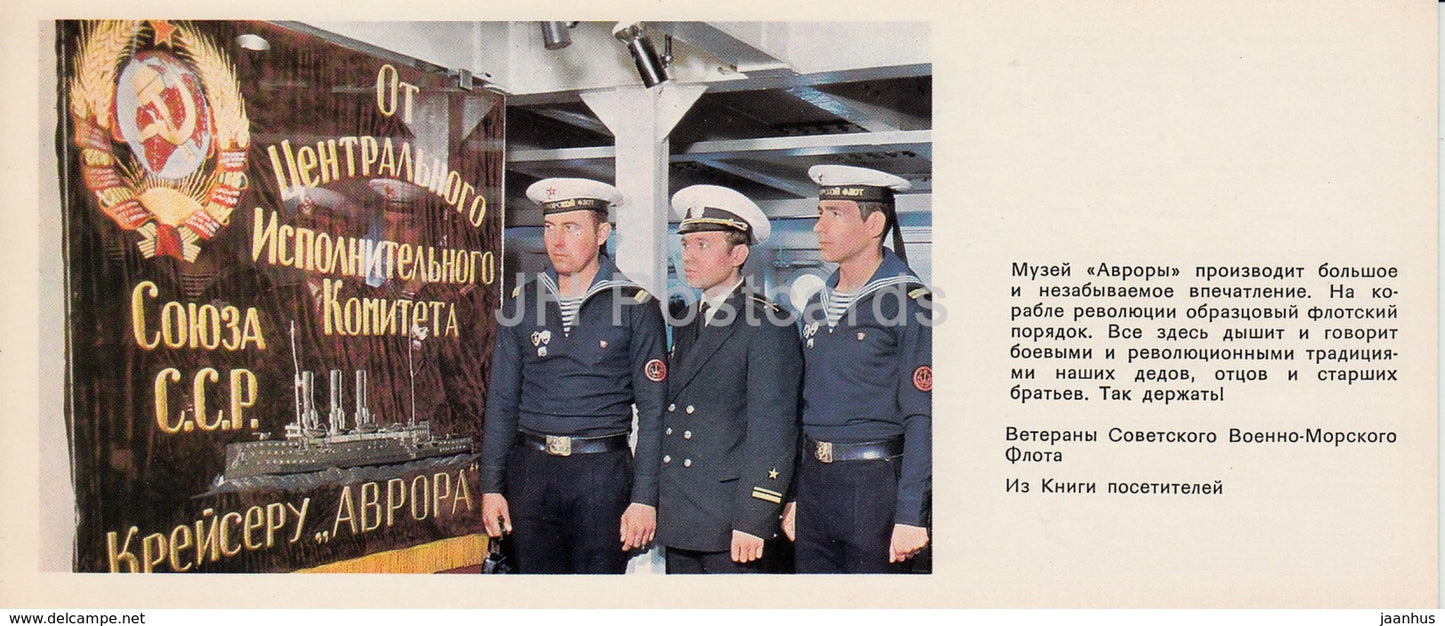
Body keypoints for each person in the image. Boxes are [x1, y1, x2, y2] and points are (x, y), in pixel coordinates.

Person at [479, 178, 667, 574]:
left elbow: (654, 414)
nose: (557, 241)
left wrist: (644, 497)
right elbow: (501, 402)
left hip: (601, 474)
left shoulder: (636, 306)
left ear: (602, 233)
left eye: (571, 228)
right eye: (549, 228)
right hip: (531, 473)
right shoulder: (522, 303)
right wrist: (492, 486)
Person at [783, 164, 933, 574]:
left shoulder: (910, 301)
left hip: (876, 486)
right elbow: (802, 408)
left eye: (835, 214)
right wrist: (795, 494)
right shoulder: (816, 304)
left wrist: (910, 514)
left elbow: (924, 416)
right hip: (816, 483)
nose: (818, 227)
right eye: (820, 213)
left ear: (875, 223)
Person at [656, 185, 802, 574]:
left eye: (702, 245)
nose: (687, 256)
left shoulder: (768, 323)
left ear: (738, 254)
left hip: (731, 519)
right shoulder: (686, 319)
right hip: (681, 512)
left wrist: (755, 517)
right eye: (685, 244)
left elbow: (774, 430)